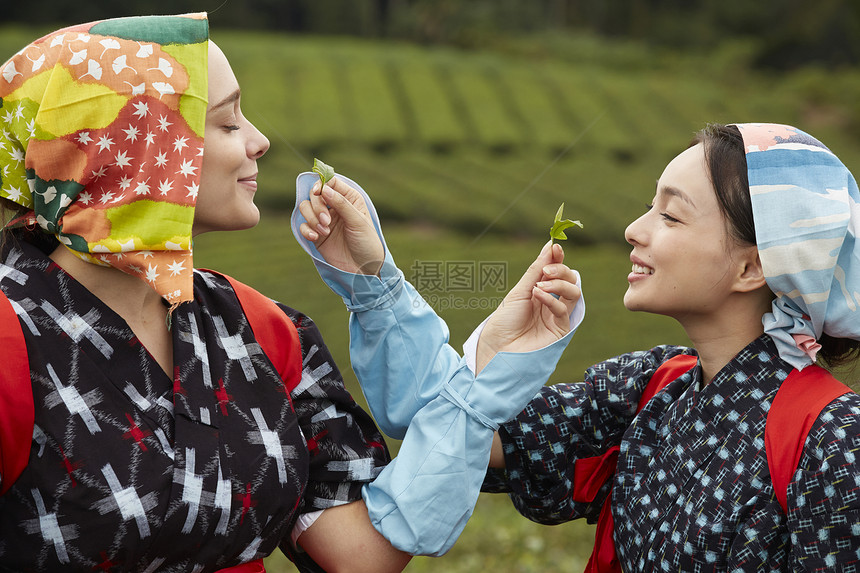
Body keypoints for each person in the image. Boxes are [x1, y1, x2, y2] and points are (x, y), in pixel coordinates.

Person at [0, 13, 583, 572]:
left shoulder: (265, 331)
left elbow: (359, 554)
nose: (259, 142)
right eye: (228, 122)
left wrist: (477, 377)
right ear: (136, 153)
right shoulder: (10, 338)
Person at [299, 121, 860, 571]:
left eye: (670, 215)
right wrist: (377, 281)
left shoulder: (835, 440)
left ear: (752, 266)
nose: (634, 230)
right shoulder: (651, 386)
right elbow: (460, 428)